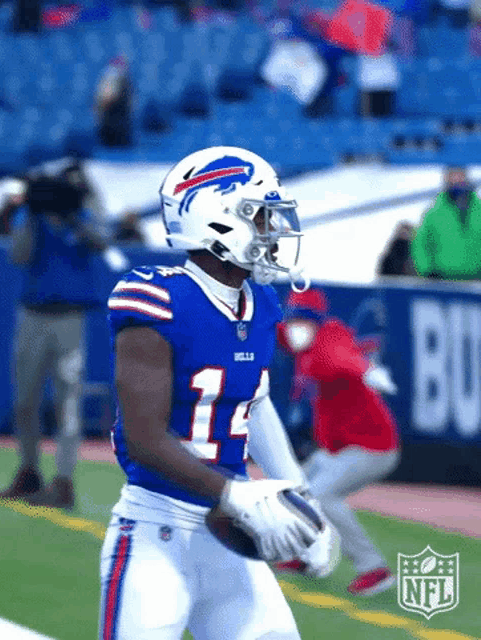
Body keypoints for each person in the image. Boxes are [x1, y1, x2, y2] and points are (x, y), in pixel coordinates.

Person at [99, 146, 339, 640]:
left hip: (230, 535)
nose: (275, 229)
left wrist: (302, 502)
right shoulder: (157, 298)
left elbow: (258, 403)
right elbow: (145, 439)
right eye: (262, 215)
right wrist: (236, 494)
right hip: (155, 532)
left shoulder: (261, 302)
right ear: (219, 219)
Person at [0, 173, 111, 510]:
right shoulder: (31, 218)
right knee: (25, 400)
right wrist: (32, 213)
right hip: (34, 314)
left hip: (70, 319)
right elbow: (18, 254)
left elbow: (102, 243)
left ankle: (63, 480)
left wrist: (73, 216)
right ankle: (29, 470)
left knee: (68, 400)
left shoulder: (82, 217)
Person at [275, 287, 400, 596]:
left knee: (323, 495)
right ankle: (307, 556)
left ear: (317, 322)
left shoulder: (328, 339)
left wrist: (368, 371)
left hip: (373, 448)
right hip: (341, 449)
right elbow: (271, 326)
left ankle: (375, 570)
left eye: (303, 321)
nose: (295, 327)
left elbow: (344, 357)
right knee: (295, 488)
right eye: (293, 321)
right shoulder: (302, 341)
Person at [411, 166, 481, 280]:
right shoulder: (433, 213)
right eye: (453, 176)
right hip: (443, 281)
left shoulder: (478, 209)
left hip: (477, 281)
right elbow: (420, 243)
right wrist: (427, 271)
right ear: (446, 179)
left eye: (460, 175)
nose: (457, 180)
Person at [95, 55, 133, 148]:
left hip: (119, 113)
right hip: (109, 112)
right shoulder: (108, 78)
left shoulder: (125, 80)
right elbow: (103, 97)